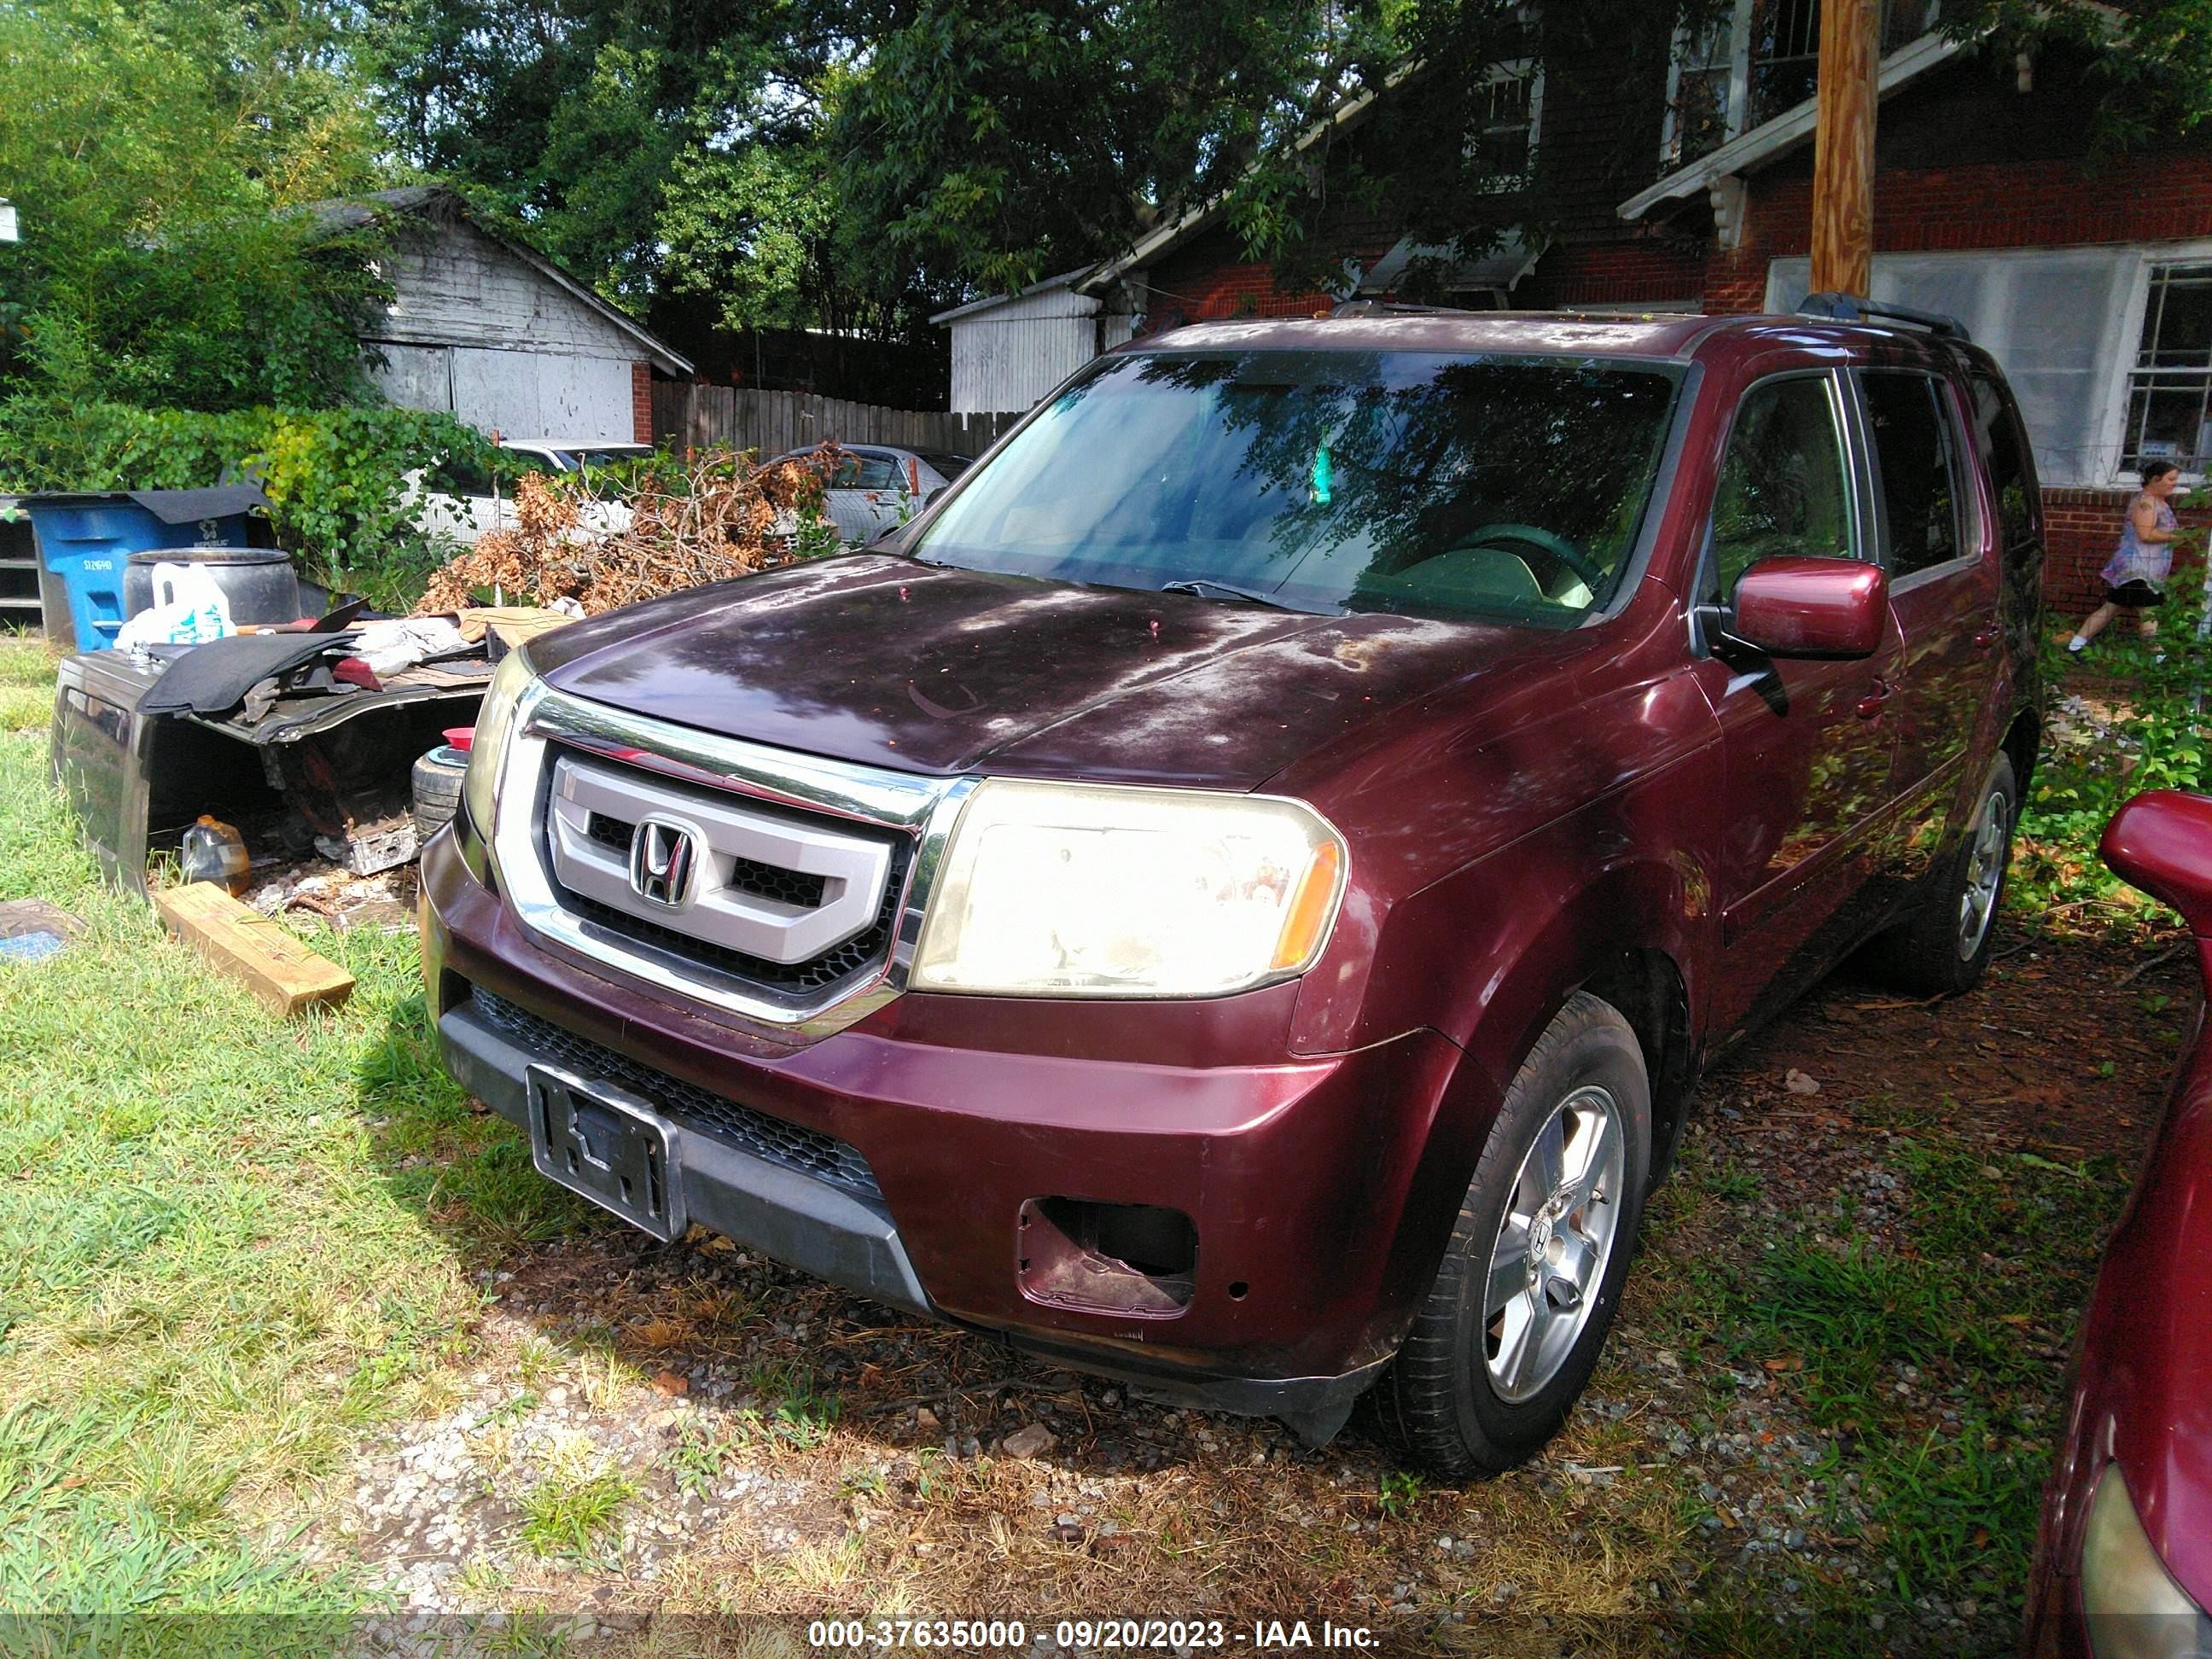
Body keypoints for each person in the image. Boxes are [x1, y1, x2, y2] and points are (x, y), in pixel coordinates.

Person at [2070, 460, 2184, 659]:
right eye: (2170, 479)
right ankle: (2159, 658)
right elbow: (2145, 534)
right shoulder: (2145, 503)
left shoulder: (2157, 503)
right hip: (2138, 569)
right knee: (2149, 612)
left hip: (2146, 568)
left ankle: (2075, 646)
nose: (2173, 484)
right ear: (2155, 479)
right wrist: (2179, 537)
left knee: (2112, 608)